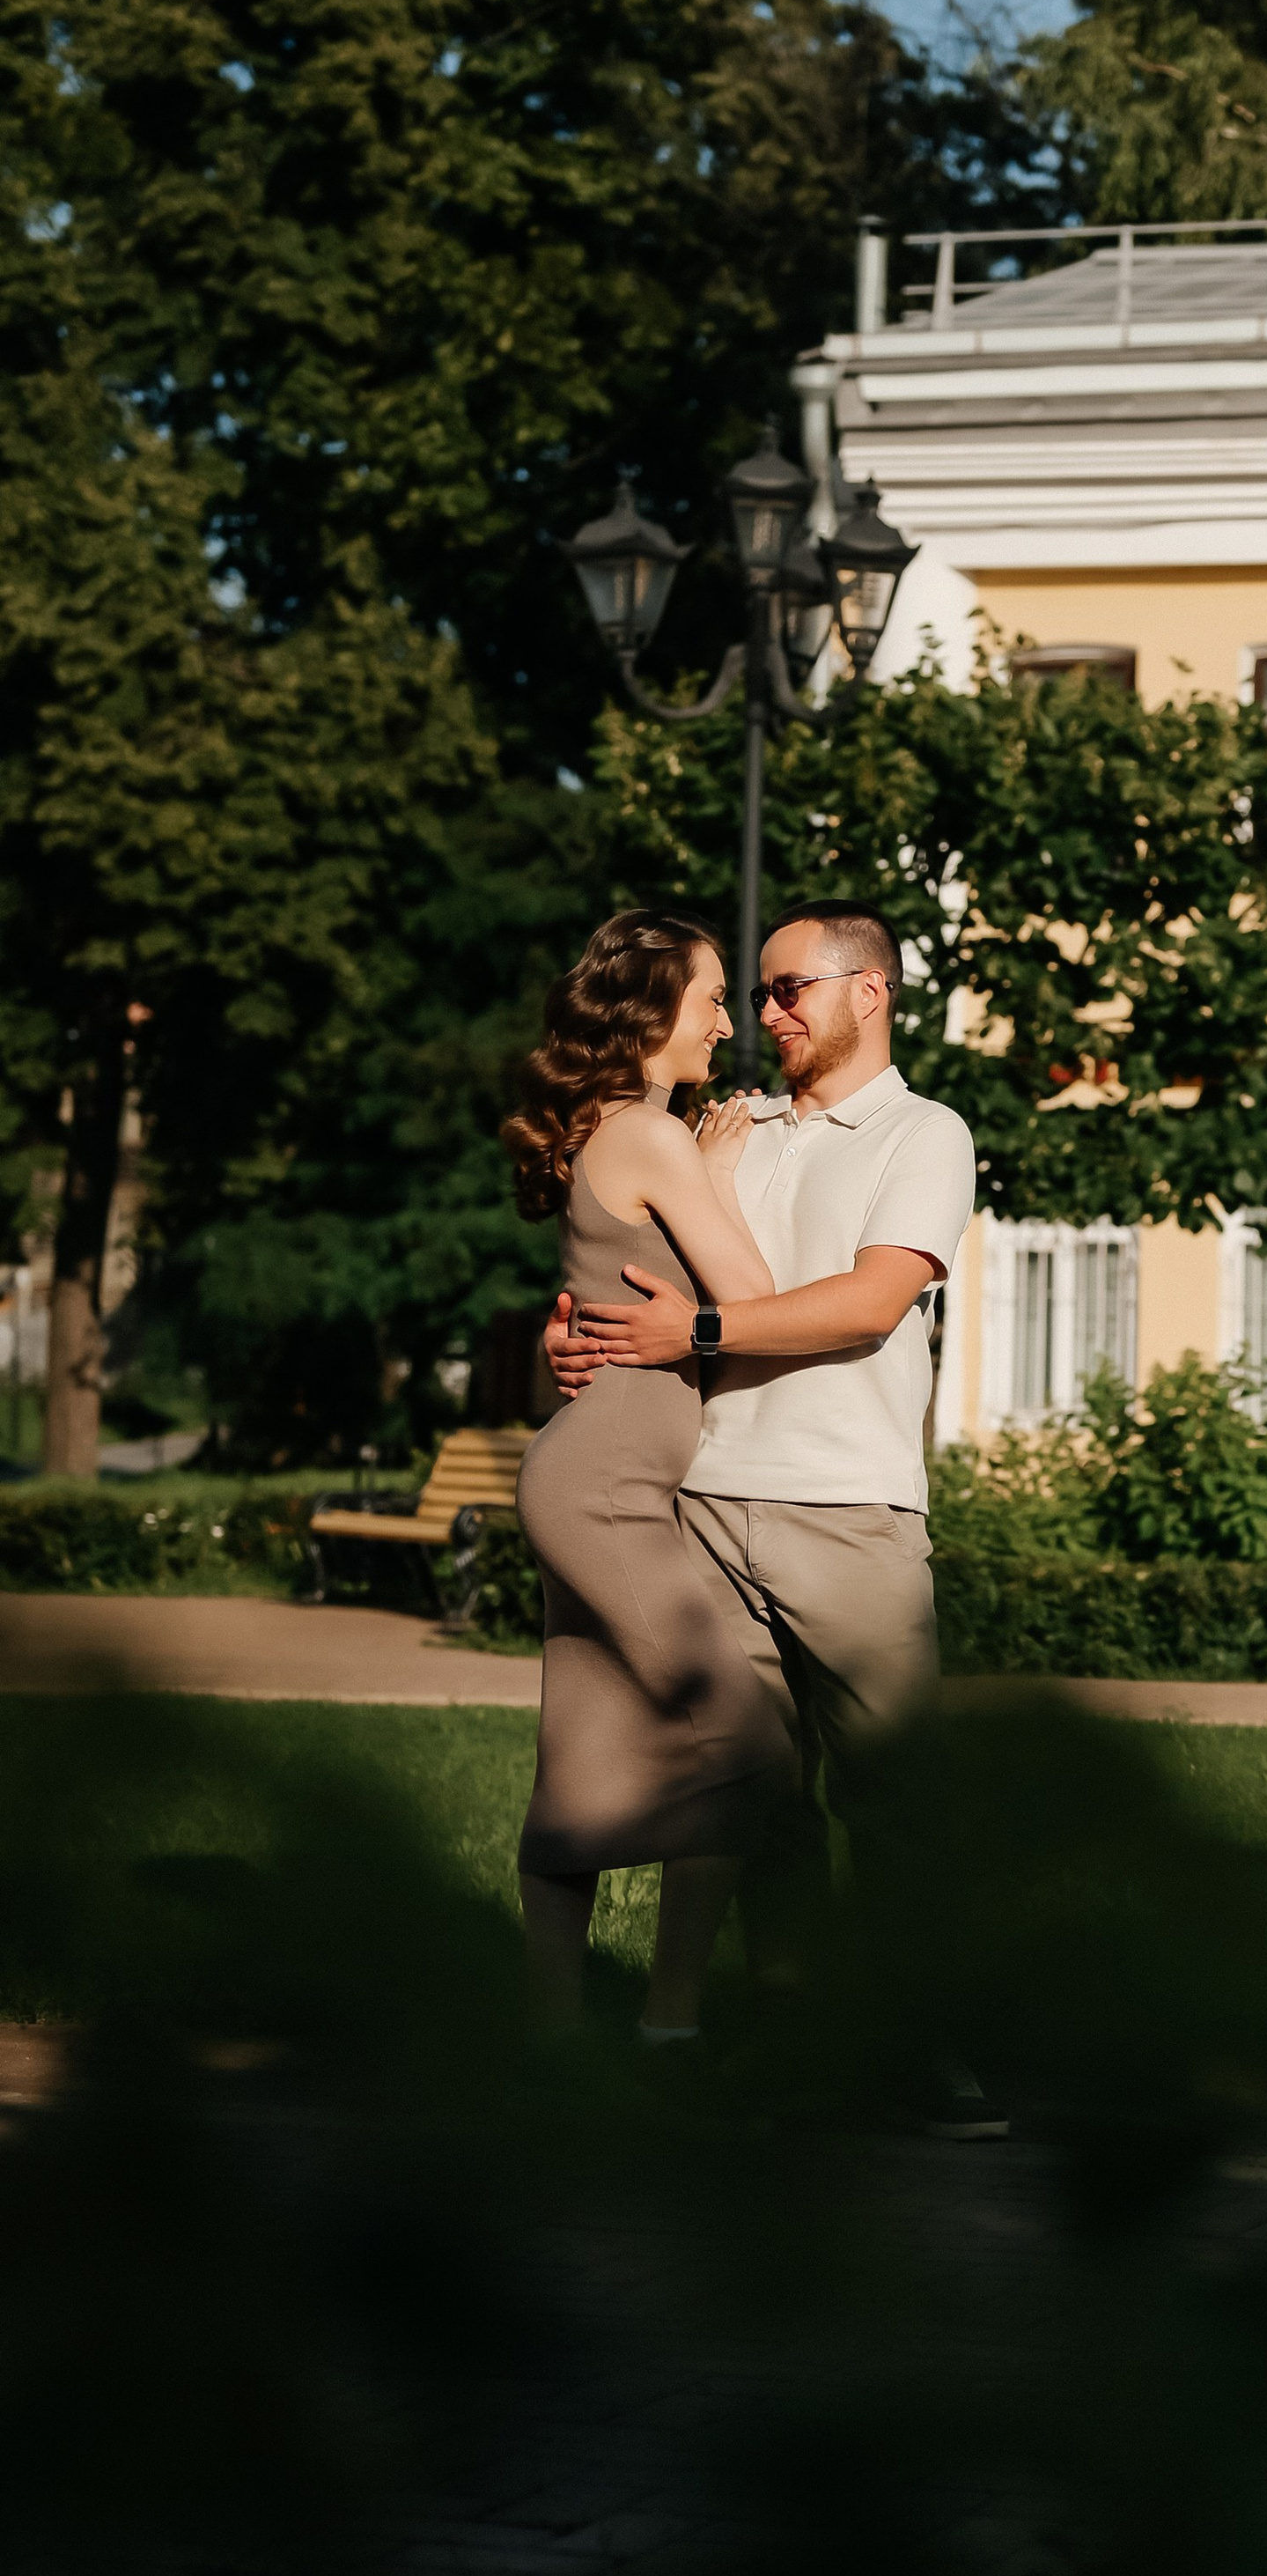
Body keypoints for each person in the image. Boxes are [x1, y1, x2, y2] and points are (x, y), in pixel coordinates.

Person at [544, 901, 991, 2133]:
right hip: (704, 1501)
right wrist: (572, 1329)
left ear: (871, 994)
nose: (770, 1012)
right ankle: (795, 2040)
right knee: (754, 1805)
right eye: (760, 990)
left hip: (849, 1507)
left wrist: (686, 1332)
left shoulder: (924, 1133)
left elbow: (866, 1304)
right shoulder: (719, 1132)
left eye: (793, 988)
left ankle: (916, 2051)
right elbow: (624, 1253)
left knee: (894, 1799)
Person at [502, 912, 800, 2033]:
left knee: (581, 1767)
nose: (730, 1022)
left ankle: (559, 2038)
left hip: (594, 1480)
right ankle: (684, 2020)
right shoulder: (653, 1135)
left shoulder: (617, 1129)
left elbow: (600, 1304)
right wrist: (714, 1167)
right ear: (649, 1011)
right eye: (714, 998)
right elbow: (749, 1296)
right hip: (606, 1492)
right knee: (750, 1747)